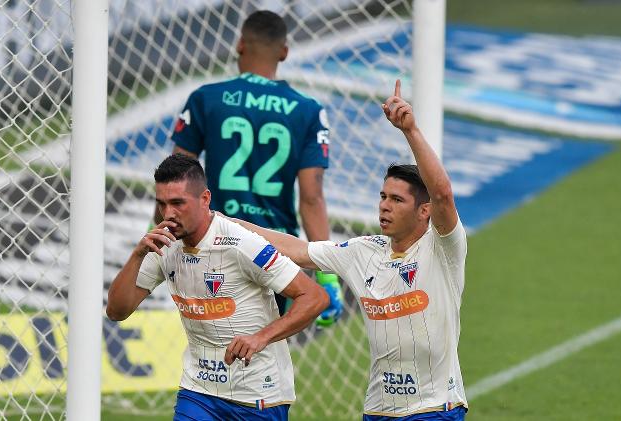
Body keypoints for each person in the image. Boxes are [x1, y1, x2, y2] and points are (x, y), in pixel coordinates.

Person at [228, 80, 469, 420]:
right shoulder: (362, 251)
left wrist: (410, 130)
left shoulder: (443, 248)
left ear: (423, 211)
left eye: (397, 200)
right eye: (383, 197)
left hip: (435, 409)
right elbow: (296, 249)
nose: (384, 206)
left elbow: (442, 193)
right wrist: (222, 224)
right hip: (378, 410)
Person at [108, 154, 329, 420]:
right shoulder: (163, 244)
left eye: (178, 203)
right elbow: (117, 311)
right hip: (199, 390)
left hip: (258, 395)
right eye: (162, 204)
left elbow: (314, 297)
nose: (168, 214)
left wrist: (261, 337)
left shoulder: (241, 243)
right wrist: (137, 255)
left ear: (205, 199)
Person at [163, 10, 342, 323]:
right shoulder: (308, 110)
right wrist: (327, 276)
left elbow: (176, 179)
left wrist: (160, 241)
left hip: (214, 240)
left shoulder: (207, 99)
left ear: (240, 44)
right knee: (263, 349)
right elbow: (311, 196)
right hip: (275, 249)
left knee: (213, 346)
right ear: (284, 52)